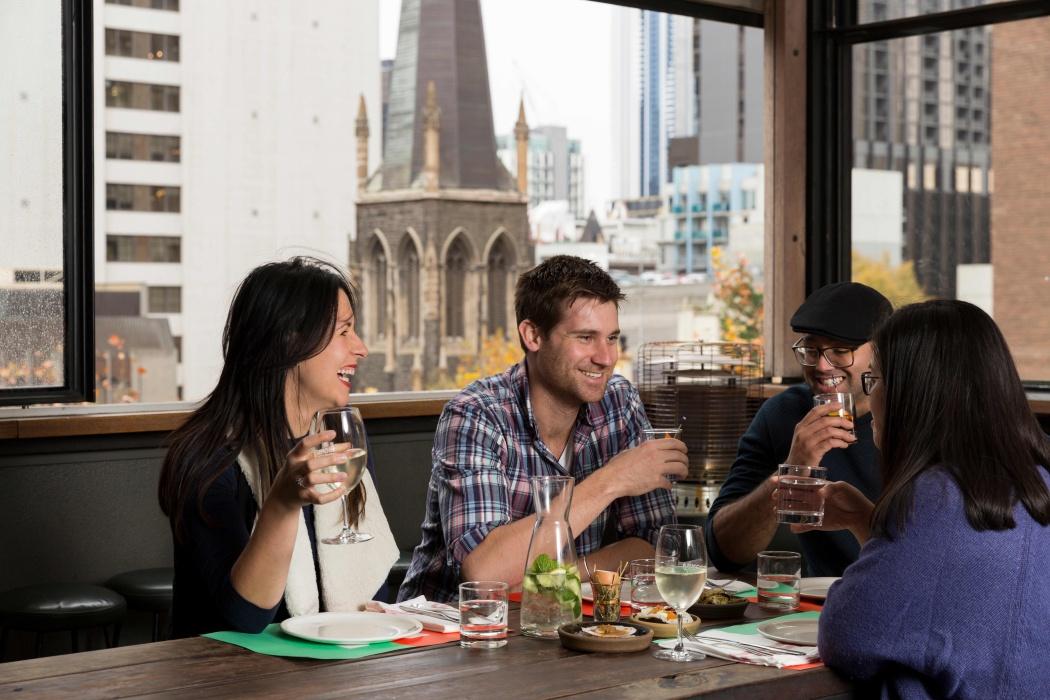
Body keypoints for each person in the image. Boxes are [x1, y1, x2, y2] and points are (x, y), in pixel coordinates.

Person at [397, 255, 688, 603]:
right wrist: (612, 481)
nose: (606, 357)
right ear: (532, 335)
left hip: (559, 626)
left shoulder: (618, 402)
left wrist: (549, 576)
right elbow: (487, 572)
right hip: (452, 636)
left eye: (611, 338)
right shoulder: (476, 414)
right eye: (585, 337)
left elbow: (654, 550)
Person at [815, 300, 1050, 697]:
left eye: (875, 380)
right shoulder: (1037, 477)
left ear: (913, 392)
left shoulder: (938, 496)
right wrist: (866, 522)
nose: (870, 402)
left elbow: (847, 634)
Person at [158, 257, 399, 637]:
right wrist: (283, 502)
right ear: (291, 338)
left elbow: (372, 593)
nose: (361, 348)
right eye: (344, 332)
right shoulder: (207, 458)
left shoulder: (336, 444)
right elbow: (242, 620)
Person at [704, 282, 892, 577]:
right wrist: (792, 470)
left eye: (841, 351)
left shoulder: (916, 416)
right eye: (810, 350)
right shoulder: (783, 414)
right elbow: (725, 551)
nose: (822, 366)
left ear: (883, 351)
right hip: (814, 606)